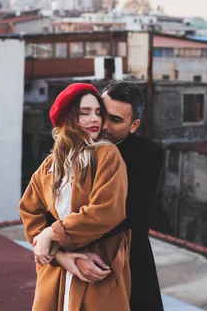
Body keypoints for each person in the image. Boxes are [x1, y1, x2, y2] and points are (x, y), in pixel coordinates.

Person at [18, 83, 131, 311]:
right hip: (56, 272)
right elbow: (29, 210)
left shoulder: (106, 154)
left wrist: (53, 232)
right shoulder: (50, 165)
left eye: (98, 112)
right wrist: (60, 257)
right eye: (85, 113)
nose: (95, 119)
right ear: (69, 118)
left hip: (99, 264)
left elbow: (107, 211)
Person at [71, 81, 165, 310]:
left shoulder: (147, 154)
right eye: (103, 114)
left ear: (134, 126)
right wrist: (65, 256)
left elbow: (129, 214)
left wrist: (58, 236)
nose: (103, 124)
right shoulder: (75, 145)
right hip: (74, 256)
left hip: (126, 257)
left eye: (115, 120)